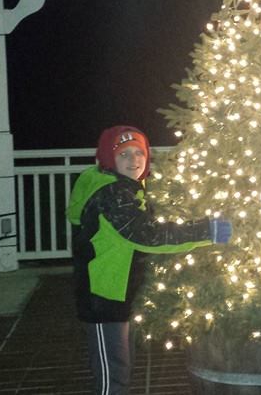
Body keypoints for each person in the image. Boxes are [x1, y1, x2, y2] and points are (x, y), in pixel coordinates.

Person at [67, 125, 232, 395]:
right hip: (103, 296)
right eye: (123, 154)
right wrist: (205, 230)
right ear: (109, 159)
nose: (133, 160)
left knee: (121, 366)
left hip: (119, 291)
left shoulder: (127, 188)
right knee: (113, 375)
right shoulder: (112, 194)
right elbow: (147, 235)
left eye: (139, 153)